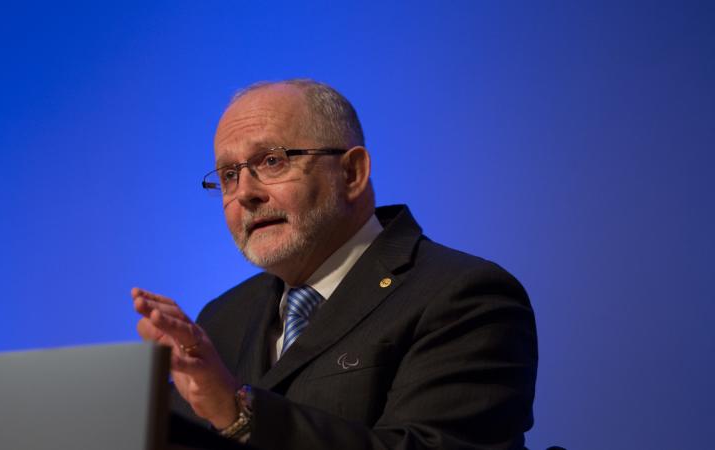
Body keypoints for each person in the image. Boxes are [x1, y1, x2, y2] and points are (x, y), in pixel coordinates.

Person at [132, 79, 538, 450]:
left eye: (272, 161)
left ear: (352, 172)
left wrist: (240, 413)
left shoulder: (465, 297)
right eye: (228, 175)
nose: (245, 194)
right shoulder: (222, 319)